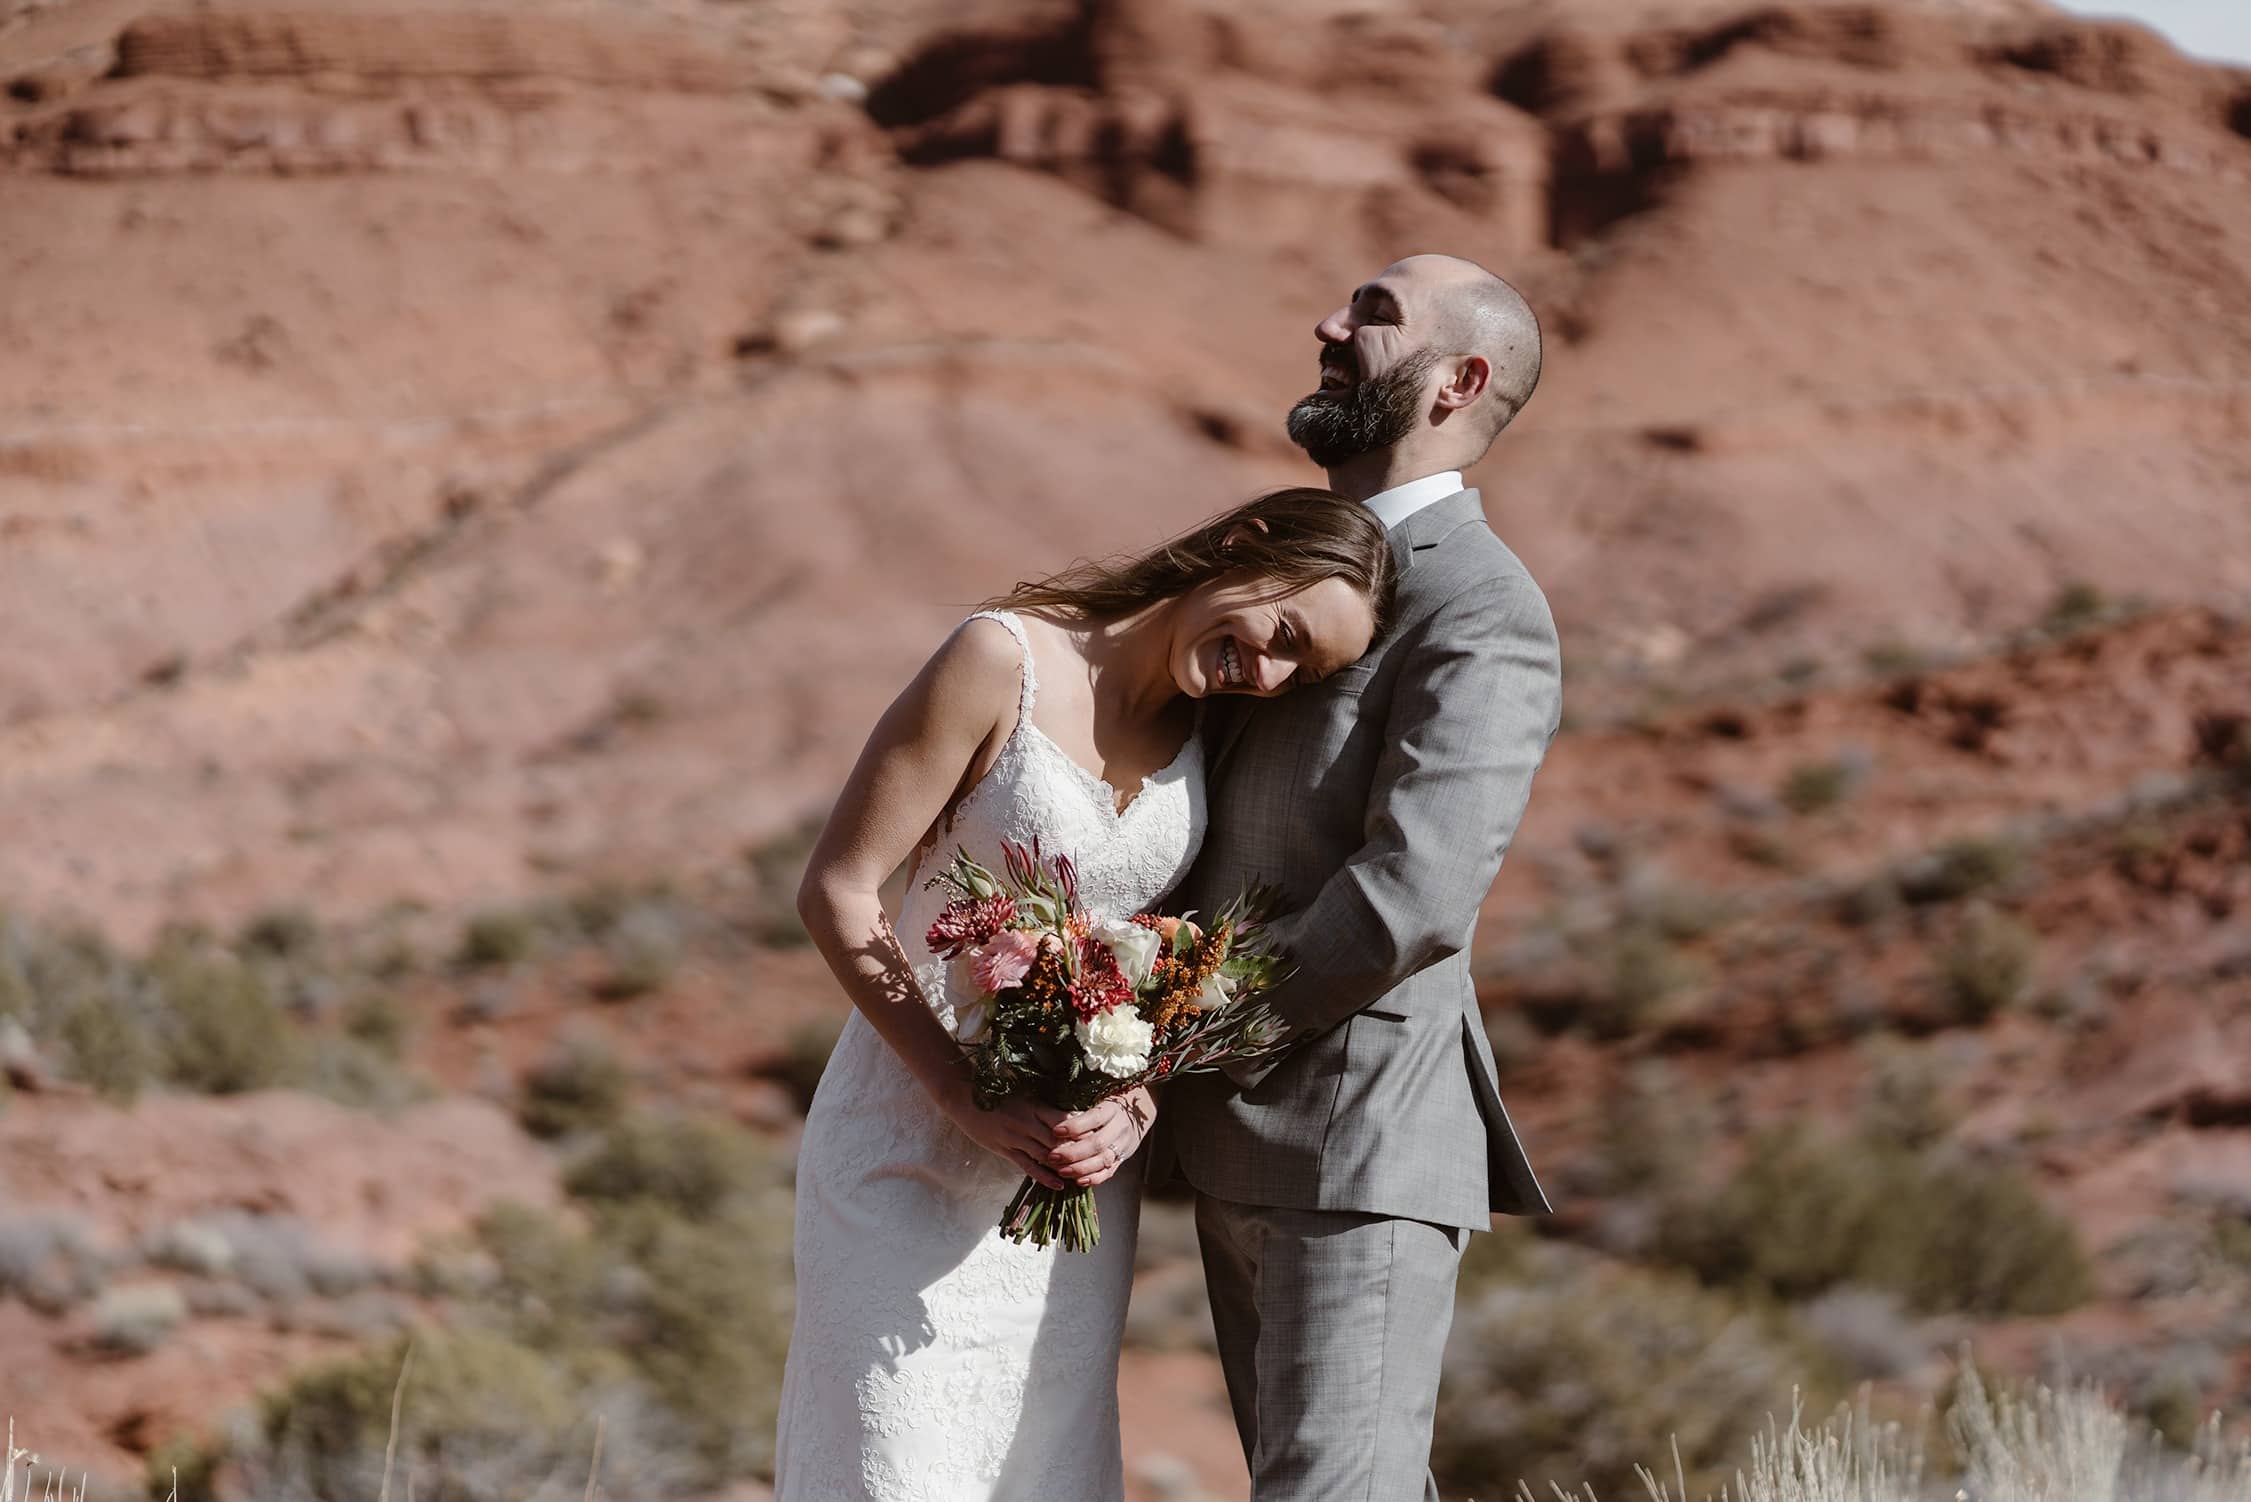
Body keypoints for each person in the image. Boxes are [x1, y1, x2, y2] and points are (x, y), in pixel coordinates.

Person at [774, 487, 1398, 1501]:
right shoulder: (1000, 659)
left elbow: (1176, 955)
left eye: (1301, 669)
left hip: (1073, 1178)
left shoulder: (1211, 732)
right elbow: (837, 890)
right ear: (1243, 546)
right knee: (891, 1461)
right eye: (1281, 630)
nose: (1269, 671)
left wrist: (1135, 1094)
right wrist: (953, 1087)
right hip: (904, 1148)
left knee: (1039, 1471)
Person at [1152, 253, 1564, 1502]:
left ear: (1460, 380)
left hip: (1357, 1138)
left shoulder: (1482, 605)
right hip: (1235, 1132)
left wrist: (1175, 1037)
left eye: (1374, 316)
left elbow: (1416, 892)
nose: (1326, 324)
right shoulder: (1286, 552)